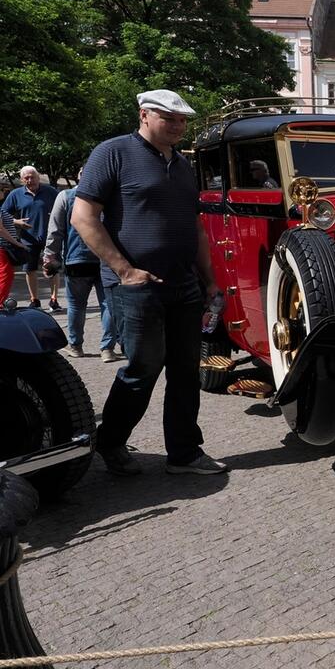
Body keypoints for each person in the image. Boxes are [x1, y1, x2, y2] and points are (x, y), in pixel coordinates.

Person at [71, 89, 228, 476]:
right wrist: (125, 271)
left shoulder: (183, 164)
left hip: (184, 285)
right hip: (136, 286)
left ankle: (185, 453)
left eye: (182, 120)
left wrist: (209, 280)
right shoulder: (113, 152)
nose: (178, 126)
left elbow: (196, 228)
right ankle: (109, 443)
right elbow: (82, 216)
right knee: (142, 368)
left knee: (186, 370)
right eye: (168, 118)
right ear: (144, 115)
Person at [42, 168, 122, 362]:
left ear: (78, 177)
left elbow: (55, 231)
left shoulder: (66, 196)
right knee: (107, 305)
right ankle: (107, 349)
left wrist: (49, 257)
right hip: (106, 259)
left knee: (77, 306)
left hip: (76, 260)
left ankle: (76, 346)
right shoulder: (110, 197)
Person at [1, 166, 61, 311]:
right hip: (28, 238)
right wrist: (17, 222)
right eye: (26, 178)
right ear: (22, 180)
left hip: (50, 237)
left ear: (38, 177)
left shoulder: (51, 191)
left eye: (32, 177)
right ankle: (34, 300)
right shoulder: (16, 194)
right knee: (30, 269)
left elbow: (62, 209)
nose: (30, 180)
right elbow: (3, 215)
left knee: (52, 268)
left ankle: (54, 300)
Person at [0, 208, 25, 303]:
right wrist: (17, 243)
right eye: (3, 191)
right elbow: (0, 229)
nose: (5, 192)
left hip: (3, 248)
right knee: (6, 274)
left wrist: (17, 221)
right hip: (2, 248)